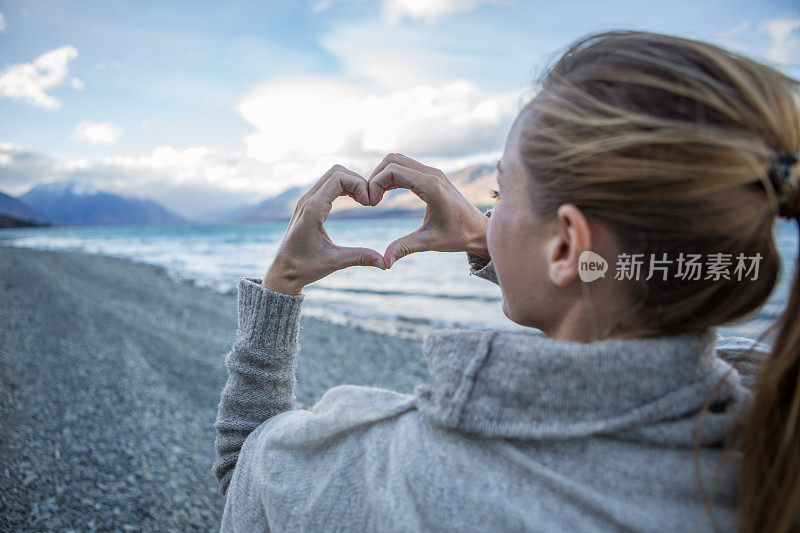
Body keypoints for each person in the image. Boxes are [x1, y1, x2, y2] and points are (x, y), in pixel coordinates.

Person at [213, 30, 800, 532]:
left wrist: (282, 284)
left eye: (499, 195)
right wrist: (493, 242)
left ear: (567, 243)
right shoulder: (765, 412)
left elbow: (248, 474)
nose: (488, 220)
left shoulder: (402, 472)